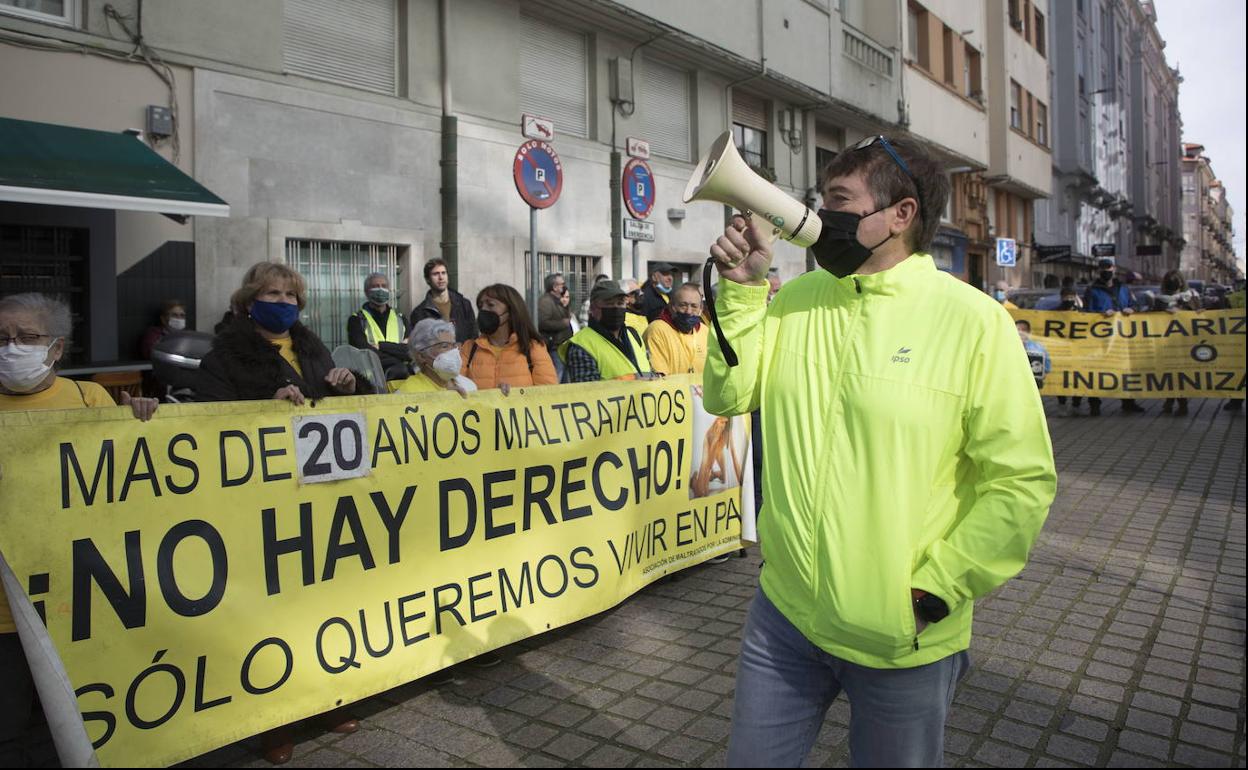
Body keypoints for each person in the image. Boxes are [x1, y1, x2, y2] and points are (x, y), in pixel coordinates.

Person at [704, 135, 1056, 767]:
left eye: (840, 200)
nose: (821, 215)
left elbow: (1021, 483)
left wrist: (936, 592)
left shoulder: (975, 322)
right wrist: (740, 292)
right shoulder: (797, 300)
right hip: (783, 618)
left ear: (902, 214)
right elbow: (729, 396)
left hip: (902, 639)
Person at [0, 293, 158, 766]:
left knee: (74, 725)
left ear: (56, 348)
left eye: (26, 337)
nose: (11, 348)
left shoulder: (90, 399)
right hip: (4, 614)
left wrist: (142, 420)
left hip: (77, 600)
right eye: (1, 338)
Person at [199, 263, 368, 405]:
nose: (283, 301)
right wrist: (268, 407)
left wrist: (348, 391)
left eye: (290, 294)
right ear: (250, 303)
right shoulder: (222, 360)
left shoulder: (317, 351)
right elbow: (214, 425)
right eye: (273, 293)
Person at [462, 284, 558, 391]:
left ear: (510, 311)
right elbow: (454, 392)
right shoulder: (469, 349)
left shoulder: (532, 348)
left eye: (491, 305)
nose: (483, 310)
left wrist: (514, 397)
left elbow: (548, 394)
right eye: (480, 306)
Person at [560, 281, 654, 382]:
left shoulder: (634, 336)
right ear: (592, 308)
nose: (616, 308)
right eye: (609, 304)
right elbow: (587, 393)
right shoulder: (582, 346)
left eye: (620, 303)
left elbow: (649, 371)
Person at [1083, 258, 1142, 415]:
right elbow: (1085, 314)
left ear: (1114, 269)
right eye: (1103, 269)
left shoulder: (1123, 288)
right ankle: (1094, 404)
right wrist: (1100, 315)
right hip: (1100, 338)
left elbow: (1135, 305)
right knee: (1096, 371)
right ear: (1098, 271)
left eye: (1108, 268)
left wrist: (1131, 309)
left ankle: (1128, 402)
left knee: (1125, 368)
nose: (1106, 271)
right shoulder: (1092, 290)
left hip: (1122, 337)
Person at [1153, 270, 1202, 417]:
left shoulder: (1191, 297)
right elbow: (1151, 318)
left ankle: (1181, 403)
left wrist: (1181, 311)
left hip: (1184, 342)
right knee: (1169, 373)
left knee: (1180, 373)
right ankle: (1170, 401)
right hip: (1166, 342)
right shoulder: (1160, 299)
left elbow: (1197, 314)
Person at [346, 272, 410, 376]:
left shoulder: (401, 319)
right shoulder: (356, 320)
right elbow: (364, 353)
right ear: (367, 292)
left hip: (399, 381)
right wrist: (397, 356)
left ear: (389, 290)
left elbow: (410, 351)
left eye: (384, 286)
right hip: (371, 383)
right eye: (375, 286)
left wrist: (381, 346)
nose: (380, 289)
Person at [394, 319, 477, 396]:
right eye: (445, 346)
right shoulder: (407, 394)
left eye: (454, 346)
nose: (453, 351)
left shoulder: (468, 386)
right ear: (422, 356)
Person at [644, 283, 709, 376]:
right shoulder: (657, 330)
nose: (689, 311)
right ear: (672, 307)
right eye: (683, 305)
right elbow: (658, 377)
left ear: (701, 309)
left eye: (694, 306)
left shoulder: (705, 331)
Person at [410, 258, 478, 343]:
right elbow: (420, 344)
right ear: (427, 279)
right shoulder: (419, 313)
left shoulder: (464, 304)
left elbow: (474, 336)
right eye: (435, 274)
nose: (441, 277)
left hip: (463, 355)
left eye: (443, 273)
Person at [537, 273, 574, 382]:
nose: (564, 286)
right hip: (555, 347)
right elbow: (543, 323)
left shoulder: (557, 300)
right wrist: (563, 323)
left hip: (563, 345)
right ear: (554, 287)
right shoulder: (546, 301)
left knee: (564, 378)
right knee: (557, 376)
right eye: (562, 284)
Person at [1054, 287, 1085, 417]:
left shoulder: (1082, 313)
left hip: (1077, 353)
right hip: (1061, 352)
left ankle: (1076, 405)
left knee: (1078, 379)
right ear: (1061, 298)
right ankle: (1062, 405)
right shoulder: (1054, 313)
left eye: (1072, 297)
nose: (1069, 300)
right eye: (1066, 297)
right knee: (1061, 379)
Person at [1016, 319, 1050, 389]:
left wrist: (1040, 373)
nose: (1021, 332)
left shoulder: (1039, 347)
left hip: (1033, 384)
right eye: (1018, 329)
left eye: (1024, 330)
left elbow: (1047, 368)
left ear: (1029, 332)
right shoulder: (1006, 346)